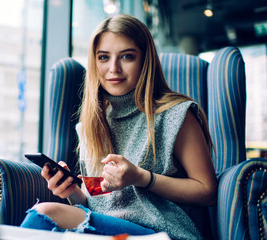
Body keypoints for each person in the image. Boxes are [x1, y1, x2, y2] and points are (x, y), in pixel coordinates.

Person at [20, 14, 217, 240]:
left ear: (145, 61)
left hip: (164, 232)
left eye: (126, 56)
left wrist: (142, 178)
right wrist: (72, 192)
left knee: (45, 214)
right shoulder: (89, 124)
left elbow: (207, 191)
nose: (114, 68)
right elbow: (95, 201)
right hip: (105, 230)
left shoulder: (176, 113)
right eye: (103, 57)